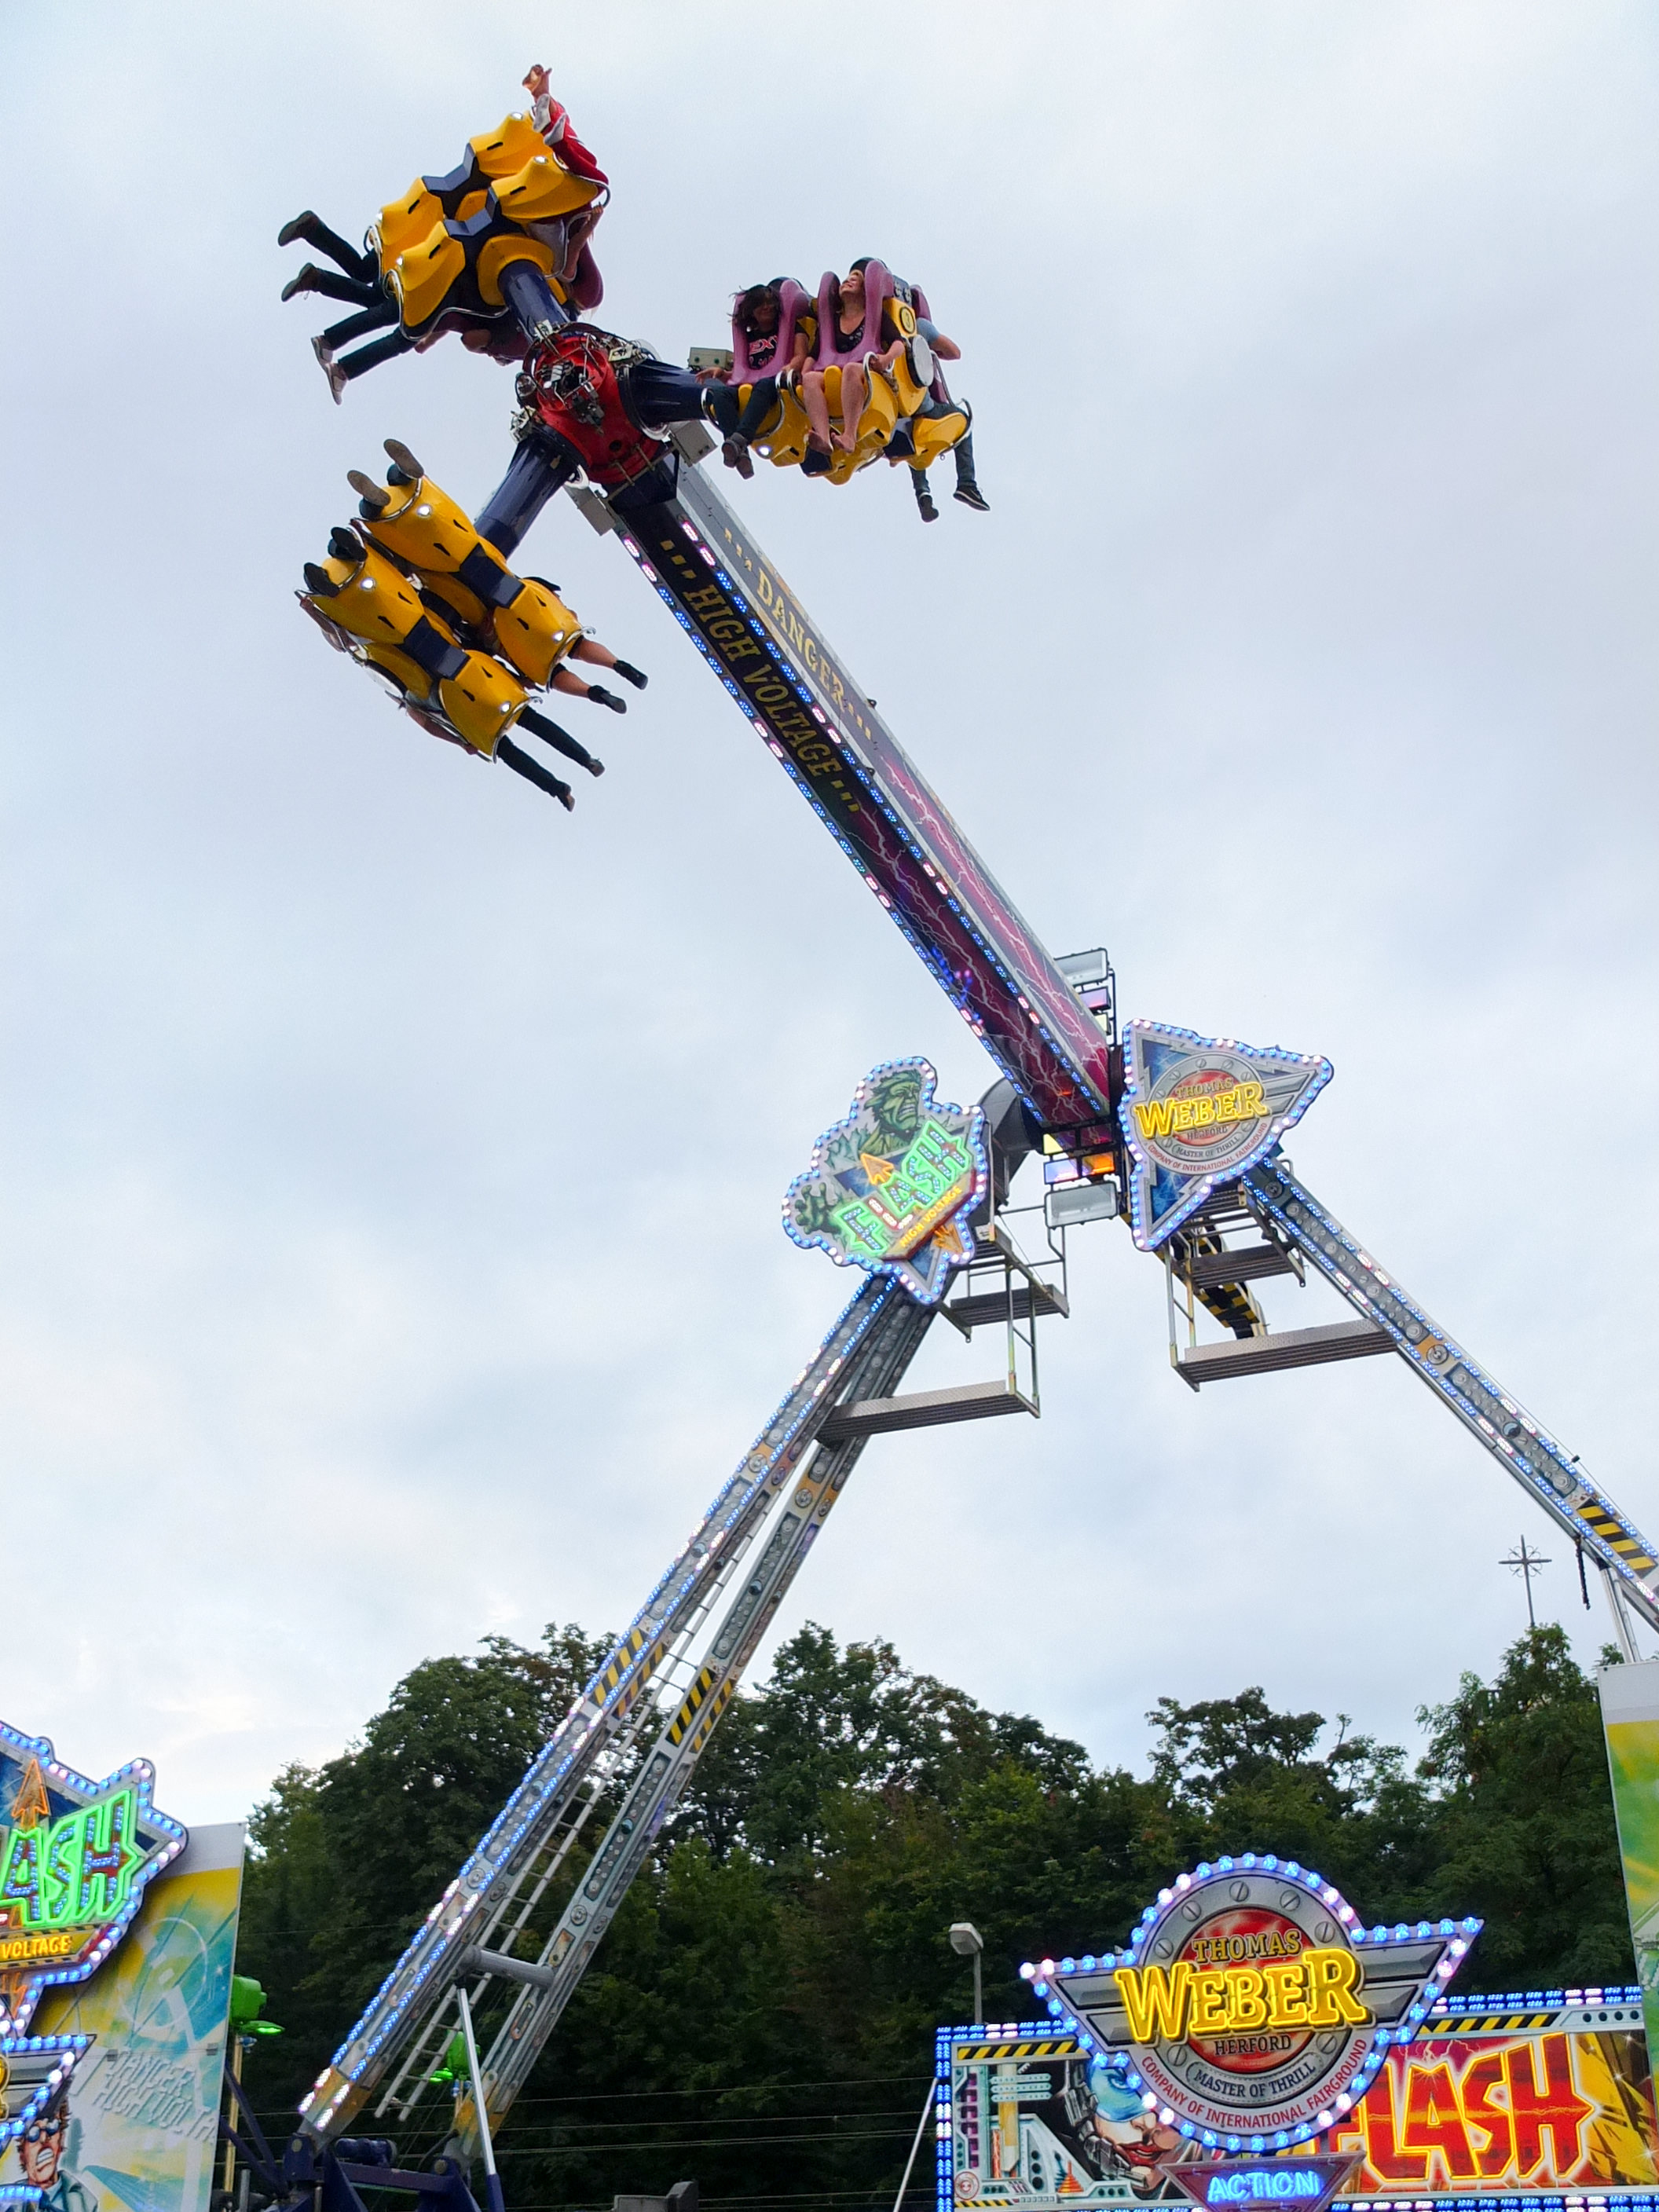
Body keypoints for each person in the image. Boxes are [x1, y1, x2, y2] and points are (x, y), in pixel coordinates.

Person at [702, 281, 815, 478]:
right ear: (751, 310)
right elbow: (742, 372)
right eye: (761, 304)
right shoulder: (750, 338)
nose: (767, 307)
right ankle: (739, 452)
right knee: (720, 395)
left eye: (770, 303)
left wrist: (790, 367)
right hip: (752, 384)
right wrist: (722, 374)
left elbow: (801, 354)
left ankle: (740, 439)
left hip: (780, 384)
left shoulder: (790, 329)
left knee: (764, 385)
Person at [800, 264, 903, 460]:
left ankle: (849, 436)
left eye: (854, 280)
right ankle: (823, 437)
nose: (847, 282)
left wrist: (886, 359)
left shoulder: (875, 316)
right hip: (835, 374)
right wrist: (804, 373)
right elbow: (814, 353)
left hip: (868, 373)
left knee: (850, 369)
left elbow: (899, 343)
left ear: (864, 290)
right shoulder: (832, 322)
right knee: (811, 379)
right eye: (846, 280)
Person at [17, 2101, 97, 2212]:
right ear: (22, 2155)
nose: (44, 2138)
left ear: (61, 2139)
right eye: (33, 2132)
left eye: (52, 2126)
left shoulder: (86, 2201)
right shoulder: (6, 2200)